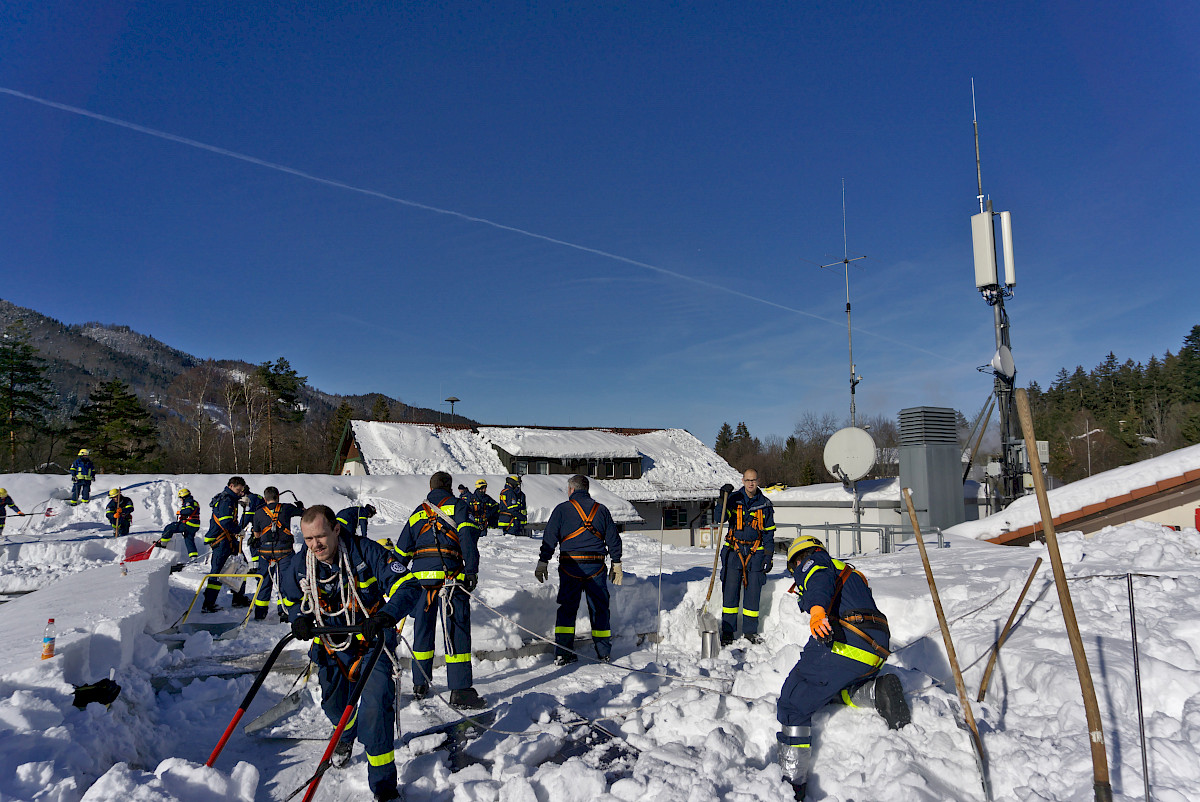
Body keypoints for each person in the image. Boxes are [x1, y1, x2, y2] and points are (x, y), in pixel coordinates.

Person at [280, 505, 422, 802]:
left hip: (371, 643)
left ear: (336, 530)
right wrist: (298, 617)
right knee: (334, 707)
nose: (315, 545)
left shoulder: (364, 552)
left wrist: (385, 616)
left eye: (320, 536)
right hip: (330, 645)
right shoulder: (300, 563)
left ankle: (383, 786)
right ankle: (344, 738)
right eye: (308, 539)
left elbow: (406, 585)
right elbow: (289, 594)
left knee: (374, 710)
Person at [776, 535, 910, 800]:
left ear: (798, 558)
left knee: (794, 700)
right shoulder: (849, 572)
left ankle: (791, 783)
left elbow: (817, 580)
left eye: (794, 567)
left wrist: (816, 611)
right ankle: (875, 692)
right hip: (876, 647)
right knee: (833, 688)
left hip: (847, 640)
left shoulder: (814, 562)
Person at [392, 471, 485, 708]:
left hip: (420, 583)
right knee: (456, 633)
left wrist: (395, 581)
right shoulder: (459, 507)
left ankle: (420, 684)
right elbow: (467, 540)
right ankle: (460, 690)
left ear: (430, 487)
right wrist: (471, 570)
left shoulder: (417, 513)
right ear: (450, 487)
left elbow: (401, 554)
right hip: (450, 580)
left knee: (422, 631)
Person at [534, 475, 623, 665]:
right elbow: (613, 539)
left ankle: (563, 653)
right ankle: (603, 653)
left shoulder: (562, 510)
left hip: (570, 567)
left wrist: (543, 561)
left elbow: (550, 538)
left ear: (571, 489)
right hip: (596, 567)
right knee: (600, 609)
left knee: (567, 609)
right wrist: (617, 563)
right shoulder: (602, 510)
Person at [717, 469, 776, 646]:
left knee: (753, 593)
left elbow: (769, 534)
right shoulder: (733, 499)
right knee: (730, 593)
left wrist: (768, 555)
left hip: (756, 552)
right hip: (733, 552)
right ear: (743, 480)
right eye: (748, 480)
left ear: (758, 481)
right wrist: (722, 499)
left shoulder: (765, 504)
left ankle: (750, 632)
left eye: (754, 480)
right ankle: (727, 632)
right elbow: (718, 518)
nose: (751, 483)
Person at [249, 486, 305, 622]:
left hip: (265, 554)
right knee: (286, 581)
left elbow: (256, 534)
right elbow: (304, 513)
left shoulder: (258, 513)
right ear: (278, 496)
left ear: (265, 498)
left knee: (264, 582)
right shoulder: (286, 508)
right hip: (285, 552)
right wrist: (300, 506)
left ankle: (260, 613)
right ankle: (285, 611)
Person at [201, 477, 252, 614]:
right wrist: (238, 531)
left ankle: (238, 598)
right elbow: (225, 522)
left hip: (229, 540)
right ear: (230, 486)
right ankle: (208, 603)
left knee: (241, 566)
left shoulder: (231, 499)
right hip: (222, 541)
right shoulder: (226, 500)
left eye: (241, 490)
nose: (240, 492)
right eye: (238, 490)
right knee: (217, 572)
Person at [159, 488, 201, 559]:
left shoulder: (189, 502)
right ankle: (193, 557)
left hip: (188, 524)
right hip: (194, 525)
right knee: (189, 539)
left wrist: (180, 512)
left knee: (170, 527)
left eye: (181, 498)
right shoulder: (194, 502)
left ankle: (162, 545)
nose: (180, 499)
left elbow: (188, 510)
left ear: (184, 497)